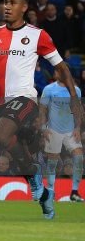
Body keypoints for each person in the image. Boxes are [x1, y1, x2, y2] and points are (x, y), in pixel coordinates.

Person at [0, 0, 82, 219]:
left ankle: (35, 171)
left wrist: (74, 98)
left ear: (24, 7)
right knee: (8, 142)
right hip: (0, 103)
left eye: (12, 2)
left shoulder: (38, 35)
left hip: (25, 98)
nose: (7, 6)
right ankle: (41, 188)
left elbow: (61, 67)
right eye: (5, 2)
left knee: (0, 134)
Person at [39, 77, 83, 205]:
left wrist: (78, 128)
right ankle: (50, 192)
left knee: (79, 157)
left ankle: (74, 192)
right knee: (52, 162)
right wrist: (43, 128)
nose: (57, 72)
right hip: (53, 130)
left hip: (70, 131)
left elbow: (77, 111)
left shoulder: (76, 91)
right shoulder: (49, 89)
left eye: (60, 70)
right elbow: (42, 109)